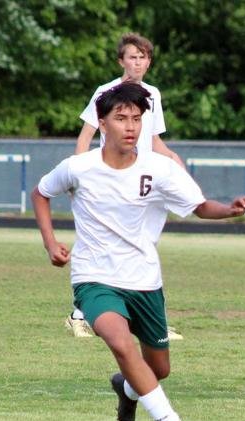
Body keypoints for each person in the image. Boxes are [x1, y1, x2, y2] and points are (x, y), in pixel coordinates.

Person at [32, 82, 245, 421]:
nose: (130, 126)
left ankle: (129, 391)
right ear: (102, 124)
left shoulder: (160, 168)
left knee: (158, 368)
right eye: (121, 118)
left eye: (137, 118)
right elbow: (41, 193)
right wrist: (50, 243)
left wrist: (230, 210)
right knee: (120, 343)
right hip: (94, 278)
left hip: (144, 280)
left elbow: (199, 205)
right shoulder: (79, 168)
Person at [67, 32, 185, 339]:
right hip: (111, 178)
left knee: (144, 246)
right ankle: (79, 314)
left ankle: (151, 320)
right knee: (103, 244)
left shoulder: (152, 94)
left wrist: (173, 159)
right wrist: (80, 174)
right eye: (133, 56)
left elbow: (155, 140)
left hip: (144, 181)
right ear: (122, 61)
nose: (139, 62)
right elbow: (85, 137)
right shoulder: (105, 92)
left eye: (144, 57)